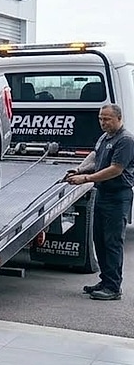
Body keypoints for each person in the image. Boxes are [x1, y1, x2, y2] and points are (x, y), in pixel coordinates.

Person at [65, 104, 134, 300]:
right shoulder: (105, 137)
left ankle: (113, 288)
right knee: (100, 240)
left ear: (118, 118)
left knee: (112, 242)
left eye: (107, 119)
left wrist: (86, 179)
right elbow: (95, 157)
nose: (103, 123)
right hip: (102, 194)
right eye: (101, 119)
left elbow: (115, 169)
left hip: (118, 196)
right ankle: (105, 280)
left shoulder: (125, 140)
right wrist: (79, 170)